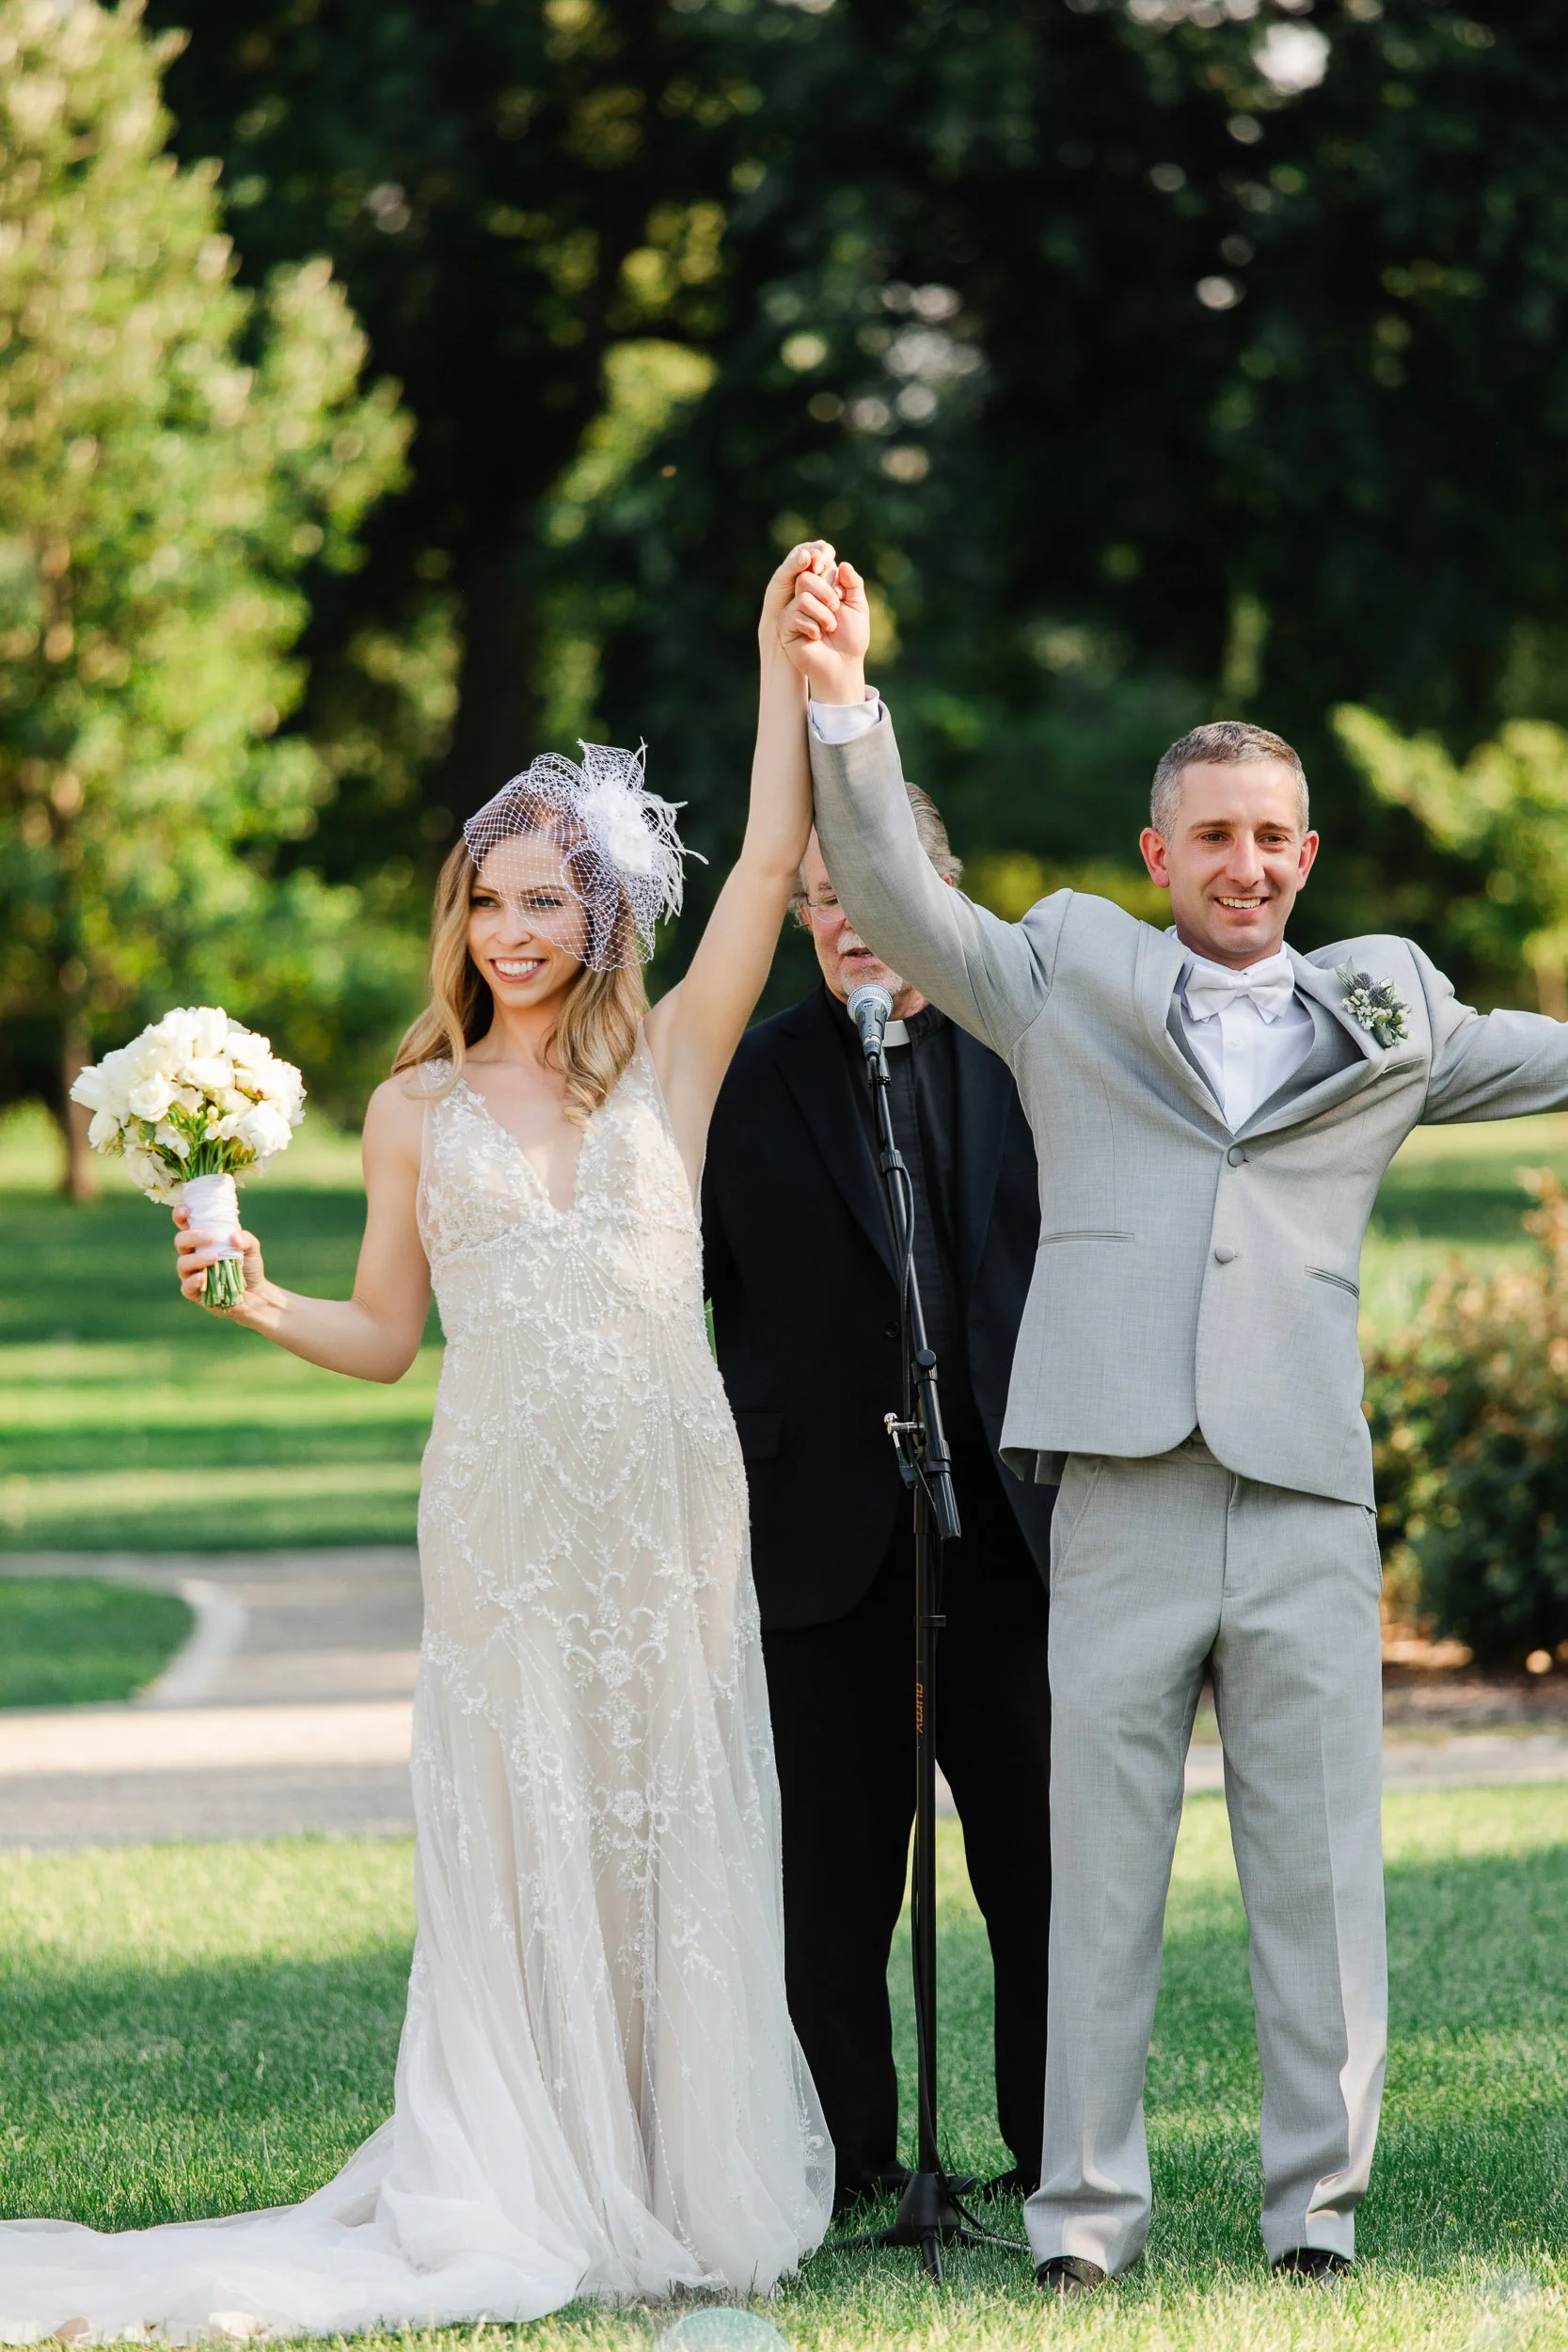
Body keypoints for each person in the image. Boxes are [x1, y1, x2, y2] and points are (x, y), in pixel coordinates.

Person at [0, 548, 839, 2342]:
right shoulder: (409, 1109)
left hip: (671, 1505)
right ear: (454, 919)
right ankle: (523, 2165)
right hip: (504, 1510)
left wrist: (788, 662)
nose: (514, 932)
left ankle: (671, 2165)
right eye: (485, 901)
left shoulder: (673, 1065)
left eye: (546, 900)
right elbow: (386, 1339)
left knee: (663, 1815)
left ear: (601, 914)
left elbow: (767, 859)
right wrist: (257, 1303)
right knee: (525, 1819)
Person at [778, 550, 1568, 2294]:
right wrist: (842, 701)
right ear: (1159, 855)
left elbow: (1549, 1051)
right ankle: (1082, 2223)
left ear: (1306, 851)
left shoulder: (1386, 1006)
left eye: (1274, 836)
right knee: (1093, 1882)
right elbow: (906, 907)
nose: (1248, 864)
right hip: (1118, 1488)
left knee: (1320, 1882)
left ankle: (1315, 2218)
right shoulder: (1065, 974)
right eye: (1213, 836)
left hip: (1301, 1497)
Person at [701, 792, 1055, 2212]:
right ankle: (846, 2164)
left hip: (1015, 1537)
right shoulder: (731, 1072)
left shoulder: (1028, 1056)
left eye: (875, 890)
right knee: (835, 1888)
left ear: (936, 890)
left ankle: (1059, 2154)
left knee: (1038, 1872)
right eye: (819, 898)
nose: (846, 920)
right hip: (813, 1539)